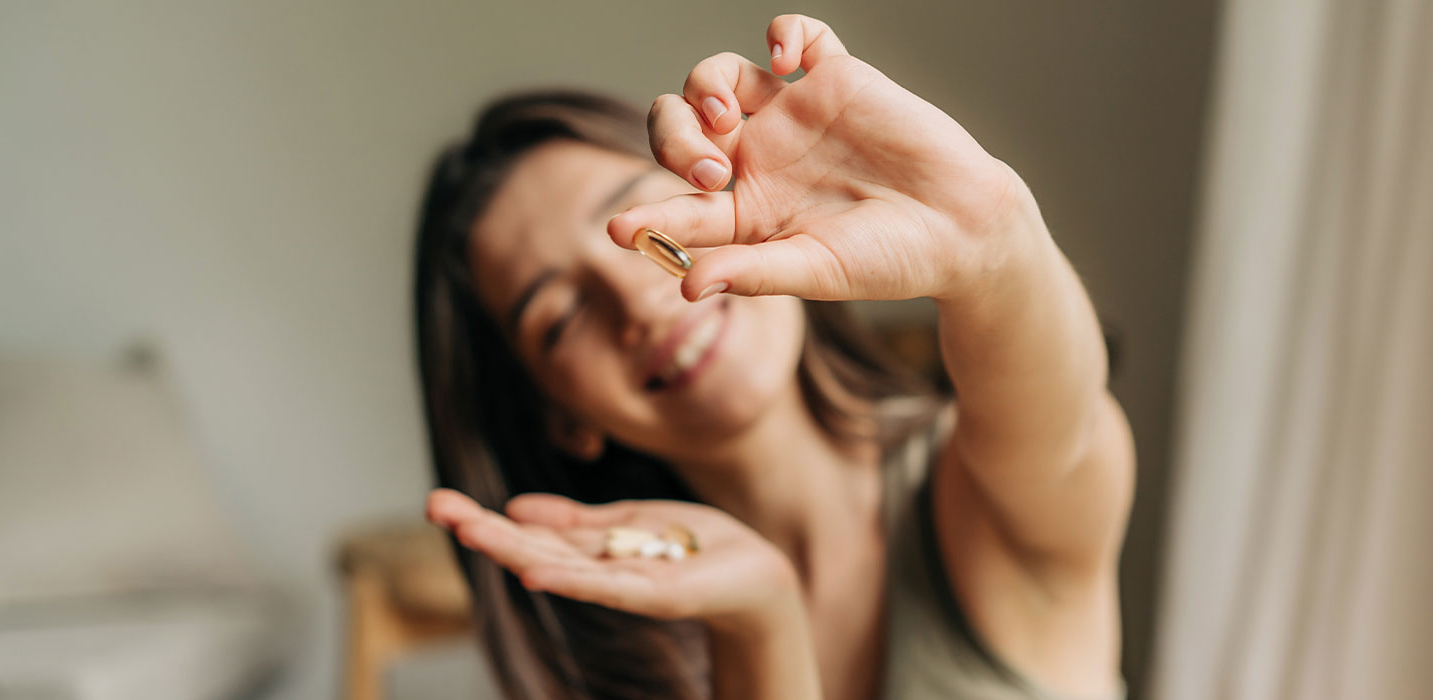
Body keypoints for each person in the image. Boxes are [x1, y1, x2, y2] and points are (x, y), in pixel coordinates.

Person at [416, 14, 1133, 700]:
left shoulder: (976, 491)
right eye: (561, 318)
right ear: (563, 418)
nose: (634, 304)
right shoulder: (638, 636)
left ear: (726, 193)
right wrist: (762, 625)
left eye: (638, 227)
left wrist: (989, 234)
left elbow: (1064, 438)